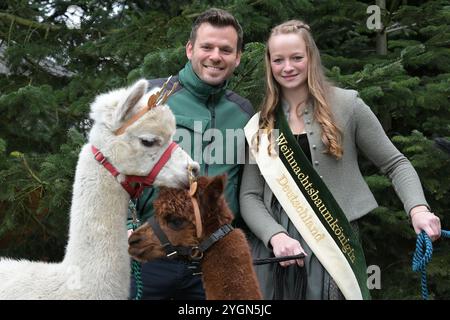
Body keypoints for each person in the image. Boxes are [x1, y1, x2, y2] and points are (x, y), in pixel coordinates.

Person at [240, 20, 441, 300]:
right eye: (279, 60)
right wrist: (274, 236)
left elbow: (395, 164)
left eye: (297, 57)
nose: (288, 67)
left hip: (335, 238)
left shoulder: (349, 105)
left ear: (311, 57)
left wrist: (418, 209)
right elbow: (250, 195)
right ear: (269, 64)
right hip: (279, 249)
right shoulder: (260, 125)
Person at [128, 8, 253, 300]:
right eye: (206, 46)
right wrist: (124, 228)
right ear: (189, 49)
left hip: (212, 261)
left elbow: (250, 189)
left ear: (237, 57)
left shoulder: (244, 113)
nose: (215, 56)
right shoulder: (154, 98)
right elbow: (113, 169)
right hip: (150, 257)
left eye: (225, 49)